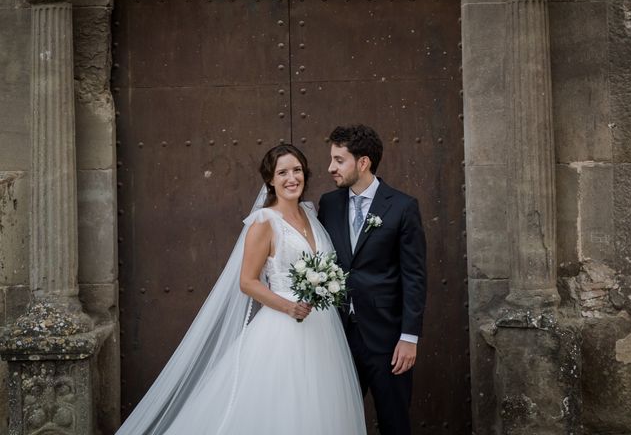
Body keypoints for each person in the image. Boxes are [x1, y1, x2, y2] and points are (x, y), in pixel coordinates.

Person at [116, 144, 366, 435]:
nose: (291, 178)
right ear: (270, 180)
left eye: (297, 170)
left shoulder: (311, 214)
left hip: (322, 328)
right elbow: (247, 282)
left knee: (321, 403)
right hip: (283, 326)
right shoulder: (264, 222)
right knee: (281, 405)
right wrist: (289, 307)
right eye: (282, 172)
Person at [318, 125, 427, 435]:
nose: (331, 168)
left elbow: (415, 276)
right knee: (336, 423)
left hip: (388, 340)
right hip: (338, 338)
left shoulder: (403, 207)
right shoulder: (329, 203)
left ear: (362, 163)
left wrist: (409, 337)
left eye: (339, 160)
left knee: (394, 423)